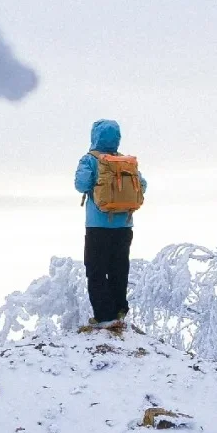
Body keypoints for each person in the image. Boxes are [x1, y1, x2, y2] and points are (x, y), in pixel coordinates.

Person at [74, 119, 146, 329]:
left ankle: (105, 317)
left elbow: (81, 185)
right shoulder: (125, 161)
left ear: (94, 136)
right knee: (119, 267)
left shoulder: (90, 160)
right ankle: (119, 310)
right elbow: (142, 185)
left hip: (98, 225)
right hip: (124, 225)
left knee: (96, 269)